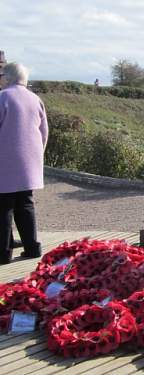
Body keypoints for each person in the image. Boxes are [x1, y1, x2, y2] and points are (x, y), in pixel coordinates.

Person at [0, 63, 48, 264]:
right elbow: (44, 132)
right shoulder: (36, 99)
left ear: (7, 77)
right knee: (25, 204)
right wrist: (37, 154)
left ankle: (3, 253)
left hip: (5, 161)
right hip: (29, 162)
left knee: (3, 208)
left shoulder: (3, 97)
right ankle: (32, 247)